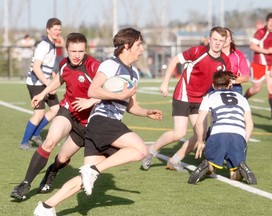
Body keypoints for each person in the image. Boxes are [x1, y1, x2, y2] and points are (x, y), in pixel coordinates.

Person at [33, 27, 162, 215]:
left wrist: (146, 112)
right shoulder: (110, 65)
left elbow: (129, 105)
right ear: (127, 46)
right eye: (139, 44)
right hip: (103, 120)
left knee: (85, 178)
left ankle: (46, 207)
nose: (142, 49)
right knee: (141, 150)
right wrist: (119, 94)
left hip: (100, 127)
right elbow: (93, 91)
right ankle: (94, 169)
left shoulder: (134, 73)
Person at [10, 33, 102, 200]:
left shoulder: (94, 66)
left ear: (85, 50)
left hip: (87, 123)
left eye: (81, 51)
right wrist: (43, 93)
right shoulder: (64, 63)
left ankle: (53, 170)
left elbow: (110, 89)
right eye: (73, 51)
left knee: (63, 158)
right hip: (68, 111)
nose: (76, 55)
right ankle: (25, 185)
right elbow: (59, 78)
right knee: (50, 141)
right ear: (66, 50)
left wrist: (91, 101)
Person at [141, 26, 231, 172]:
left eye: (221, 40)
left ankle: (174, 160)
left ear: (225, 42)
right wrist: (165, 83)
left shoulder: (225, 61)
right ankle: (151, 151)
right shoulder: (197, 51)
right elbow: (174, 61)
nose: (217, 43)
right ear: (209, 39)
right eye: (215, 39)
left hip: (201, 100)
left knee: (199, 135)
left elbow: (223, 82)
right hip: (183, 94)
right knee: (179, 133)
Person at [187, 70, 257, 185]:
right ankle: (241, 167)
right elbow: (250, 124)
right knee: (234, 176)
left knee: (211, 167)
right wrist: (244, 141)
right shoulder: (241, 98)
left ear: (213, 85)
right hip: (237, 135)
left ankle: (207, 165)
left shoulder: (209, 96)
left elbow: (199, 122)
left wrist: (200, 141)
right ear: (230, 84)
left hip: (218, 134)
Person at [19, 18, 62, 150]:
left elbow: (47, 65)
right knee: (39, 113)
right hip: (35, 83)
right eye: (55, 29)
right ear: (48, 30)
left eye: (59, 29)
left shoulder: (52, 43)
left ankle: (36, 134)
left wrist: (54, 75)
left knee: (55, 109)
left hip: (44, 82)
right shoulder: (44, 45)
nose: (57, 32)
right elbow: (36, 68)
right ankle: (24, 142)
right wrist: (49, 85)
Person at [243, 13, 272, 121]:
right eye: (270, 21)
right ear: (267, 21)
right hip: (258, 64)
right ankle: (243, 99)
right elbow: (252, 45)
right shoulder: (261, 32)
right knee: (256, 89)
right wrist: (265, 51)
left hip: (271, 65)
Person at [222, 28, 250, 94]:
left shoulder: (238, 55)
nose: (225, 39)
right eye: (223, 36)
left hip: (234, 87)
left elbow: (246, 77)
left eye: (227, 36)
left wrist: (231, 81)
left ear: (231, 39)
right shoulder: (212, 54)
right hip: (215, 87)